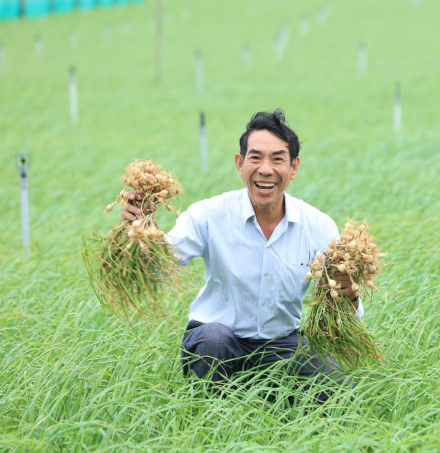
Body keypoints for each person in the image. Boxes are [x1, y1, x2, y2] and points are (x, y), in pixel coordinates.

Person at [121, 109, 364, 401]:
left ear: (294, 168)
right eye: (255, 157)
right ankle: (207, 418)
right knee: (214, 341)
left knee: (338, 388)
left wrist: (349, 295)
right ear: (240, 164)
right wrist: (138, 230)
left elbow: (341, 309)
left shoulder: (317, 225)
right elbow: (158, 266)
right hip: (219, 339)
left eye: (277, 159)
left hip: (282, 343)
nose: (265, 169)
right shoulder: (208, 214)